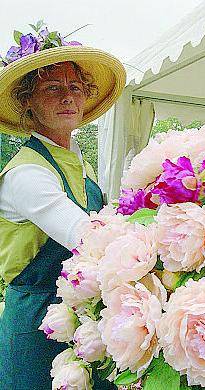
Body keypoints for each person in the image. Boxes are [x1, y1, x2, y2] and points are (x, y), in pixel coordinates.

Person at [0, 27, 126, 389]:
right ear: (28, 101)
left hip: (84, 317)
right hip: (39, 324)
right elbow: (88, 237)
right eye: (52, 88)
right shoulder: (26, 173)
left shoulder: (78, 164)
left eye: (75, 88)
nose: (67, 97)